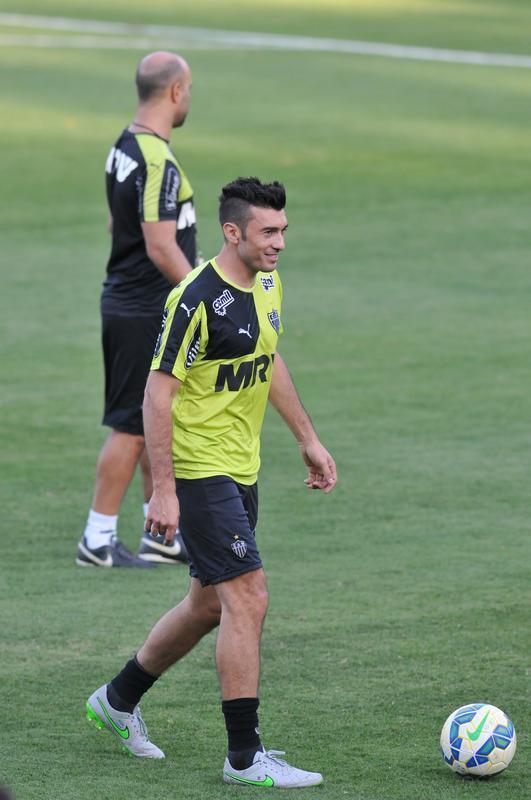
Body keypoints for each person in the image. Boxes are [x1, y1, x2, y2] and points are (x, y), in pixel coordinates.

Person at [85, 177, 337, 788]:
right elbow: (156, 393)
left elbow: (267, 358)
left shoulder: (270, 283)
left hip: (241, 468)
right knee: (248, 598)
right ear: (233, 232)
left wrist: (306, 436)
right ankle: (245, 757)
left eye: (282, 230)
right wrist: (164, 489)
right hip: (200, 473)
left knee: (206, 604)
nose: (279, 242)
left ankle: (115, 702)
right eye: (267, 232)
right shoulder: (196, 299)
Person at [76, 51, 197, 568]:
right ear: (174, 92)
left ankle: (161, 532)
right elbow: (160, 245)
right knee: (130, 423)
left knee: (152, 418)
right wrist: (205, 292)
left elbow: (114, 225)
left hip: (131, 302)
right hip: (143, 307)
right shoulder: (156, 160)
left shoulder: (123, 146)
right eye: (188, 89)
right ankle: (97, 540)